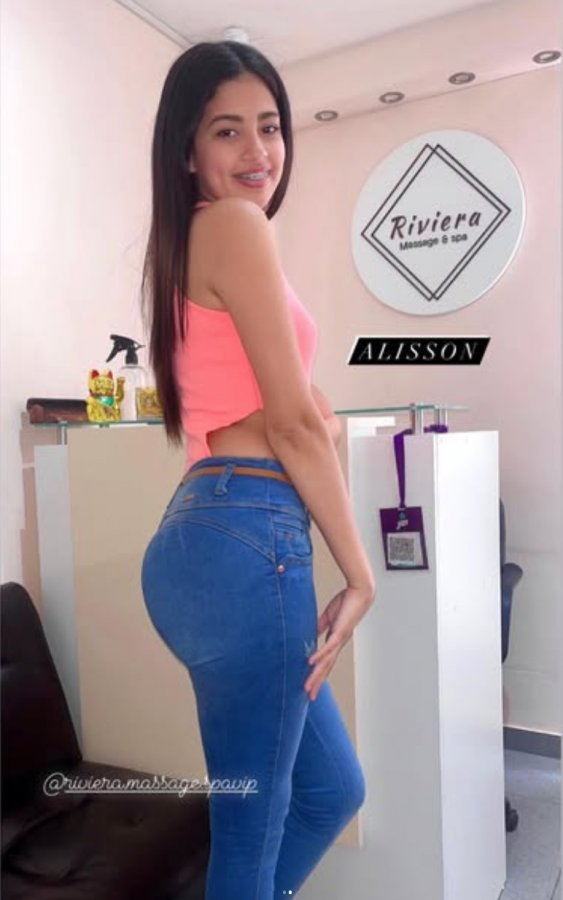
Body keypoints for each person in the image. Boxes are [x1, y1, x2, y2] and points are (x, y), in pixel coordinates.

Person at [140, 40, 376, 900]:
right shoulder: (234, 226)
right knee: (251, 828)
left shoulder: (189, 243)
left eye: (269, 127)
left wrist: (311, 414)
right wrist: (361, 575)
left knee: (331, 790)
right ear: (187, 150)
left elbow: (291, 406)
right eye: (227, 130)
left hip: (211, 536)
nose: (257, 151)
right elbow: (293, 425)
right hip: (248, 541)